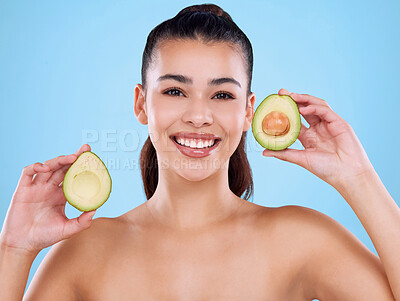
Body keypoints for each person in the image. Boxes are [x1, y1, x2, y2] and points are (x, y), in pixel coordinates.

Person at [1, 3, 399, 300]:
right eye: (175, 90)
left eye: (222, 94)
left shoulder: (302, 238)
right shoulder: (82, 250)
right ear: (141, 104)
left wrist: (358, 178)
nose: (198, 116)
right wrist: (13, 250)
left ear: (248, 110)